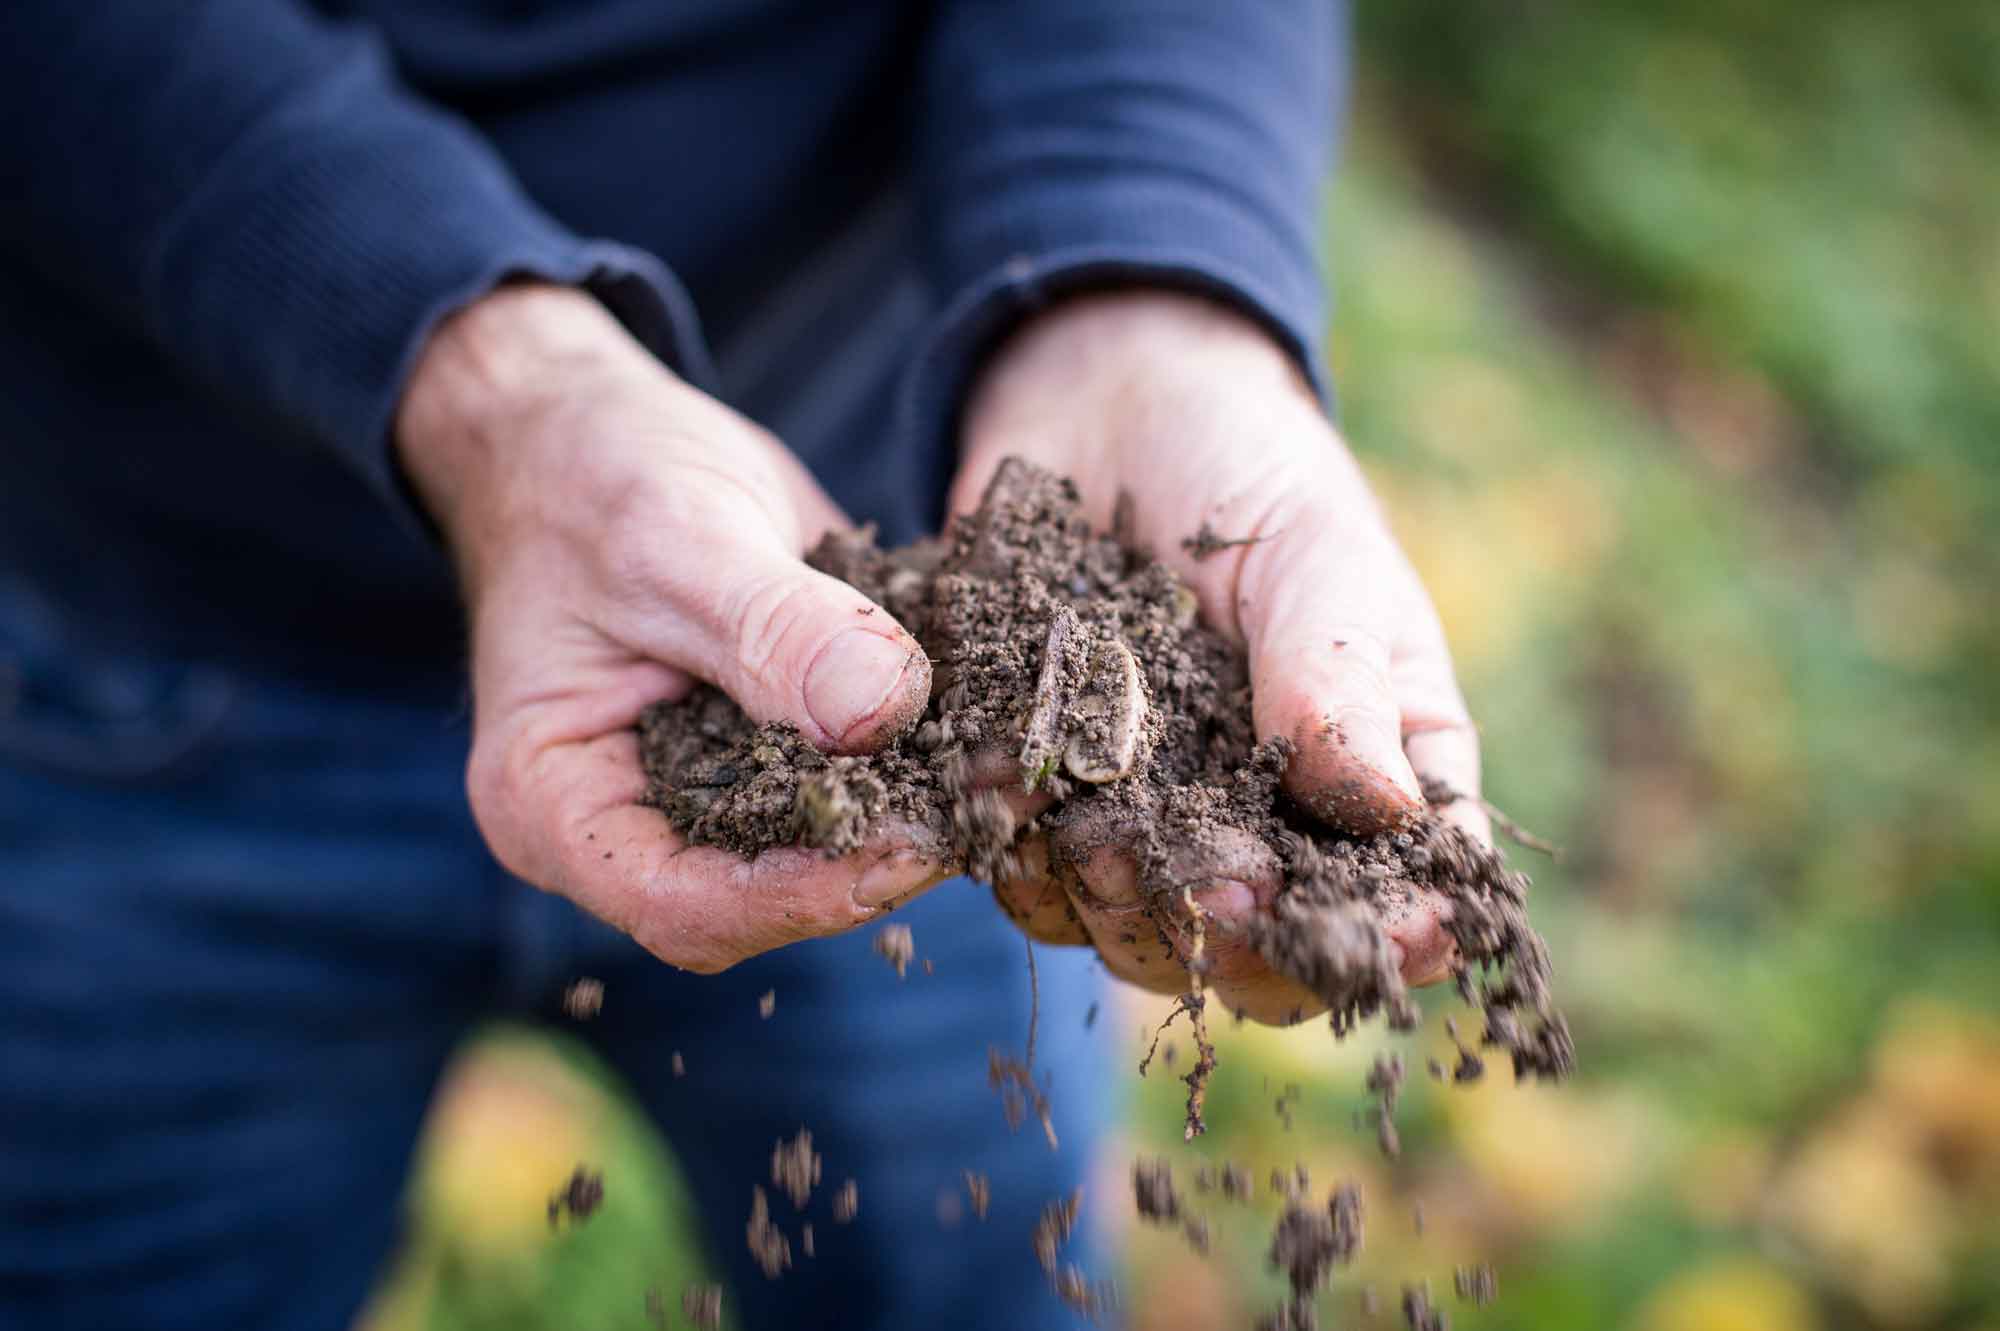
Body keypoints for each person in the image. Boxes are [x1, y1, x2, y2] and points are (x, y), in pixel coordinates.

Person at [0, 2, 1486, 1326]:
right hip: (144, 671)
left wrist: (1147, 316)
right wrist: (487, 381)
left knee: (968, 1281)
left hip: (915, 751)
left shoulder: (963, 708)